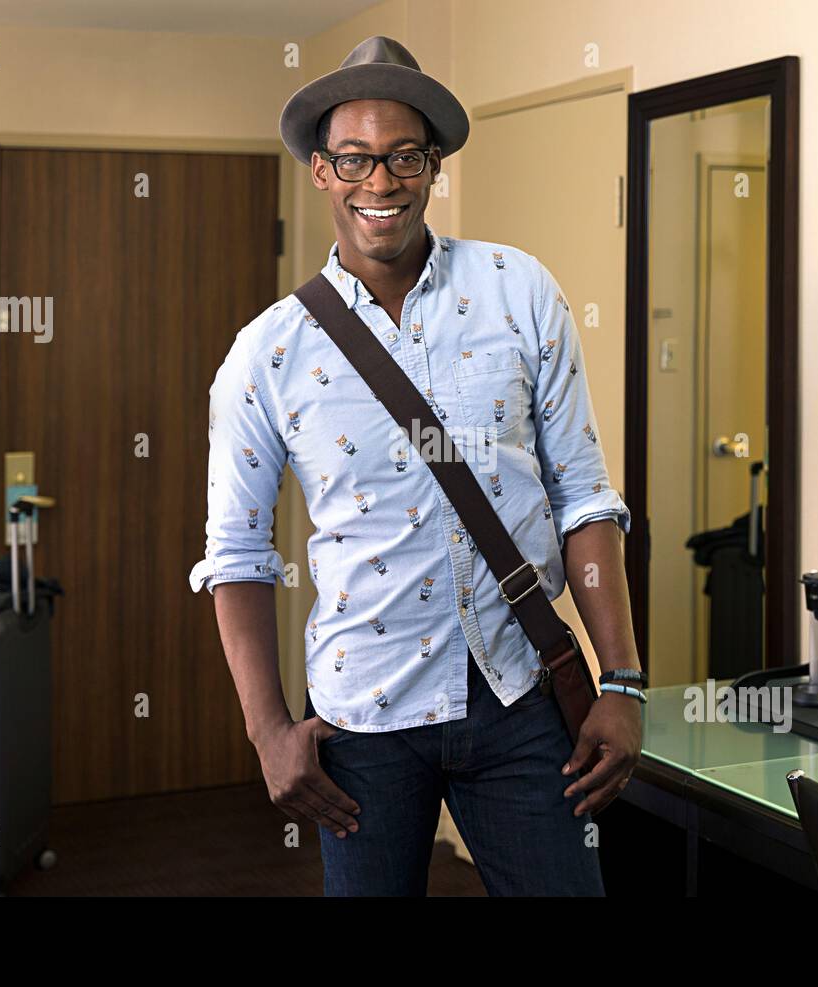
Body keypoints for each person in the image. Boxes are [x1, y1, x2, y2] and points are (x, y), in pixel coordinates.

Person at [189, 35, 643, 896]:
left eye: (403, 157)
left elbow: (584, 498)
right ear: (321, 171)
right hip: (363, 721)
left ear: (433, 163)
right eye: (354, 159)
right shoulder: (268, 353)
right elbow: (237, 555)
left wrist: (621, 679)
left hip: (521, 697)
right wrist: (267, 731)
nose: (381, 184)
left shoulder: (520, 292)